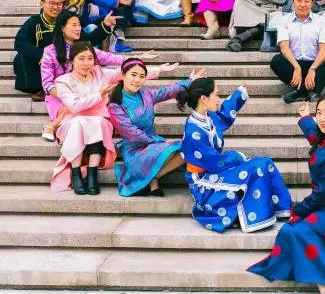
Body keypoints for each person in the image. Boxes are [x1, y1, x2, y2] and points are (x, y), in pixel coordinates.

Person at [248, 93, 325, 294]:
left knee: (298, 230)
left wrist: (297, 209)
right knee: (290, 230)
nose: (322, 118)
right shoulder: (324, 139)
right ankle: (323, 286)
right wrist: (306, 117)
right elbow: (313, 134)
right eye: (320, 113)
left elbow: (322, 195)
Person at [51, 43, 176, 194]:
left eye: (90, 58)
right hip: (73, 122)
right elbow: (75, 106)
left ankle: (92, 174)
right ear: (72, 60)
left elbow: (127, 73)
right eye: (81, 58)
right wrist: (100, 94)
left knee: (98, 122)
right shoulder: (63, 81)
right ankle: (76, 173)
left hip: (99, 121)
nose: (86, 63)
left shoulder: (100, 73)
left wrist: (159, 70)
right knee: (79, 123)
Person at [178, 78, 291, 232]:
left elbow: (224, 115)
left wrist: (239, 93)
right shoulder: (193, 131)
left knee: (266, 162)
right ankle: (257, 218)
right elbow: (213, 161)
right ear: (203, 98)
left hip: (217, 170)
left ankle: (283, 210)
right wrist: (238, 157)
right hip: (203, 180)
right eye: (216, 95)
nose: (218, 99)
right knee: (257, 167)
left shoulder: (208, 117)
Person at [40, 10, 145, 141]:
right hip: (60, 97)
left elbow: (109, 58)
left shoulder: (84, 47)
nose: (78, 28)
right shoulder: (50, 51)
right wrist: (69, 95)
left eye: (79, 25)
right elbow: (47, 85)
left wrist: (137, 59)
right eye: (74, 25)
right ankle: (53, 126)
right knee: (72, 106)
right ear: (62, 28)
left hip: (86, 92)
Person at [109, 60, 206, 197]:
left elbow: (167, 91)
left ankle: (153, 177)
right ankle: (151, 181)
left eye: (141, 76)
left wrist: (190, 81)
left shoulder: (145, 94)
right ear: (123, 75)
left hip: (153, 143)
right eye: (133, 75)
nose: (137, 80)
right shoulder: (115, 105)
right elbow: (131, 132)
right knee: (170, 150)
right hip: (135, 150)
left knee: (189, 148)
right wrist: (157, 141)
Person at [13, 0, 114, 100]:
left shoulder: (65, 22)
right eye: (52, 3)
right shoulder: (33, 22)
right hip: (40, 62)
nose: (56, 7)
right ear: (42, 3)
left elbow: (89, 40)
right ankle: (39, 88)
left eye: (59, 4)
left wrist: (105, 25)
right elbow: (20, 42)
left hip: (62, 60)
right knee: (22, 55)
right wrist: (40, 56)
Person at [270, 0, 325, 104]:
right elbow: (284, 48)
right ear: (293, 1)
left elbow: (323, 50)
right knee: (276, 61)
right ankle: (311, 92)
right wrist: (297, 67)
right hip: (293, 65)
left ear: (312, 2)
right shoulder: (284, 21)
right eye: (299, 0)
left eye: (307, 1)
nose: (303, 4)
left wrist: (313, 69)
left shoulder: (321, 22)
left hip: (314, 65)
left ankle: (298, 92)